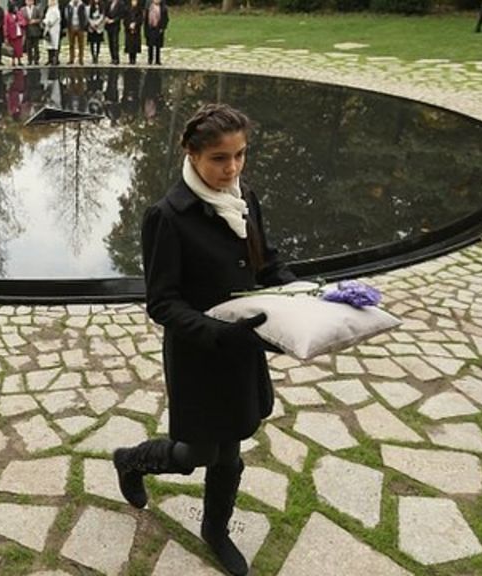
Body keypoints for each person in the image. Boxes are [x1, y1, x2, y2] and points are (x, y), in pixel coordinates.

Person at [112, 104, 294, 576]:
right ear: (191, 155)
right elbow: (163, 303)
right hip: (198, 353)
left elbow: (266, 262)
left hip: (243, 347)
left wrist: (300, 294)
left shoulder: (244, 198)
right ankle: (130, 460)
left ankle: (215, 530)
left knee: (230, 449)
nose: (231, 168)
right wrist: (219, 334)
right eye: (218, 158)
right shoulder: (167, 216)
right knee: (195, 453)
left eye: (239, 155)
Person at [63, 0, 87, 65]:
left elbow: (86, 15)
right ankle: (71, 59)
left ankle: (81, 59)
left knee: (81, 45)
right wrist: (69, 25)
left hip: (80, 27)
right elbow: (66, 16)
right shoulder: (69, 6)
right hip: (71, 27)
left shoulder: (82, 6)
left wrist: (83, 25)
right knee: (71, 44)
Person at [144, 0, 167, 65]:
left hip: (159, 28)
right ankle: (150, 59)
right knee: (150, 45)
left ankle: (157, 60)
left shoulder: (163, 8)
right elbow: (146, 18)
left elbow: (165, 19)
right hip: (150, 27)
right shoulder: (149, 7)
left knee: (158, 45)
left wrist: (163, 27)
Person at [4, 1, 26, 66]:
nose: (16, 9)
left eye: (16, 7)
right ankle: (13, 61)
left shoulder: (19, 14)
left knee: (19, 48)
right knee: (13, 49)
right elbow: (6, 26)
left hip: (18, 33)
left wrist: (20, 23)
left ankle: (19, 60)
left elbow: (24, 21)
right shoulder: (7, 15)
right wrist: (6, 35)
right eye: (15, 8)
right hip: (12, 34)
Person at [22, 0, 43, 66]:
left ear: (33, 2)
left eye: (31, 1)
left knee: (36, 46)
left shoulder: (37, 9)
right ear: (25, 2)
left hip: (35, 30)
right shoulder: (22, 9)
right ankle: (29, 60)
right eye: (28, 1)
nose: (29, 2)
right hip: (27, 30)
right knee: (28, 46)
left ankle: (36, 60)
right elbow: (21, 18)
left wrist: (35, 21)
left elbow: (40, 18)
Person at [42, 0, 61, 64]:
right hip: (48, 29)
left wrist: (45, 22)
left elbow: (52, 20)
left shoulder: (56, 10)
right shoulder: (49, 9)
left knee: (54, 45)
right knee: (49, 45)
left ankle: (54, 59)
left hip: (54, 29)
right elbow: (46, 17)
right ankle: (49, 59)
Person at [124, 0, 142, 64]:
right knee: (129, 44)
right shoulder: (127, 9)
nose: (134, 2)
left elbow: (140, 19)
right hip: (128, 30)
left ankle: (134, 58)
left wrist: (135, 24)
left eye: (135, 1)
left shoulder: (139, 10)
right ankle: (130, 58)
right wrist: (129, 25)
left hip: (136, 30)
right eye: (133, 1)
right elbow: (125, 19)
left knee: (135, 44)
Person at [87, 0, 104, 64]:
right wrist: (92, 24)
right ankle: (93, 56)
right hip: (91, 28)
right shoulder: (90, 7)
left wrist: (97, 23)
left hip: (98, 28)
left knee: (98, 43)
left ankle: (97, 56)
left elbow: (102, 16)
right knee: (92, 43)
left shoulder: (102, 6)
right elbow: (88, 16)